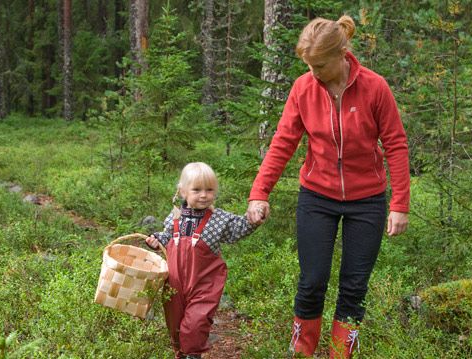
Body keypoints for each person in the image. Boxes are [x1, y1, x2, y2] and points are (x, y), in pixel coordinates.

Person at [246, 15, 410, 358]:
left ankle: (340, 353)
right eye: (309, 65)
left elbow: (395, 143)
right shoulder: (303, 89)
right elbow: (282, 143)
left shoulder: (375, 87)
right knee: (312, 280)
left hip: (367, 201)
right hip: (317, 196)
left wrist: (399, 204)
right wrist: (260, 193)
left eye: (319, 64)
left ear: (341, 54)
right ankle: (302, 352)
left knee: (353, 286)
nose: (313, 72)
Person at [146, 162, 258, 359]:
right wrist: (155, 241)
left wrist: (253, 219)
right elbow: (165, 237)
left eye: (209, 190)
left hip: (204, 284)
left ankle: (193, 355)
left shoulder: (219, 219)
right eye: (197, 190)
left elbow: (238, 228)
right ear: (183, 192)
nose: (204, 195)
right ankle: (181, 353)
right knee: (175, 325)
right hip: (175, 283)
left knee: (195, 323)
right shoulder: (174, 217)